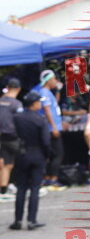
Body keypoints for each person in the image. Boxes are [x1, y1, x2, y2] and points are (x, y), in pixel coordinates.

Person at [9, 91, 50, 230]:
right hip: (37, 154)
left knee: (21, 188)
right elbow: (46, 141)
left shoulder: (17, 118)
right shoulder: (41, 119)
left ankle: (18, 220)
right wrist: (47, 155)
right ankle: (32, 220)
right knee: (35, 189)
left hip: (22, 154)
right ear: (34, 104)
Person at [32, 69, 65, 191]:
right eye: (54, 79)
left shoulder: (48, 92)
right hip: (51, 129)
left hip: (53, 127)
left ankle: (48, 178)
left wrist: (58, 91)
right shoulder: (44, 92)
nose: (56, 81)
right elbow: (47, 110)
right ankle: (52, 179)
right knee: (57, 154)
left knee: (53, 154)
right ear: (49, 80)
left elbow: (54, 104)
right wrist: (54, 127)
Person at [0, 78, 23, 200]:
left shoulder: (1, 101)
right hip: (14, 137)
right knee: (21, 161)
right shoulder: (16, 104)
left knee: (6, 164)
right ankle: (19, 185)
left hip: (2, 137)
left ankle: (3, 190)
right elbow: (20, 121)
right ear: (19, 89)